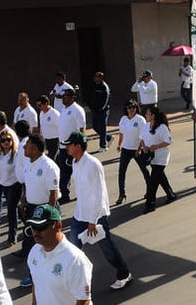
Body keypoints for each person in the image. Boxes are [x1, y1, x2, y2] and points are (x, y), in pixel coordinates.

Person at [62, 131, 133, 290]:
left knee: (108, 249)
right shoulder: (74, 162)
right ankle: (72, 279)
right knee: (73, 248)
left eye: (69, 144)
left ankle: (124, 273)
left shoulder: (93, 164)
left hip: (96, 216)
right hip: (80, 214)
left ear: (78, 146)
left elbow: (100, 194)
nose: (66, 147)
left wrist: (93, 221)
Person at [16, 134, 60, 274]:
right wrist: (23, 201)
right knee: (32, 243)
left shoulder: (49, 166)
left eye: (27, 145)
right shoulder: (29, 163)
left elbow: (53, 193)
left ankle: (52, 271)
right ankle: (34, 274)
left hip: (45, 209)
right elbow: (27, 185)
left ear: (34, 149)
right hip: (31, 208)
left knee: (48, 244)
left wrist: (48, 216)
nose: (24, 147)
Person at [140, 107, 176, 213]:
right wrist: (144, 147)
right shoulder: (146, 126)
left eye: (148, 113)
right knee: (161, 177)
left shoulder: (162, 127)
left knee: (153, 181)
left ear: (153, 116)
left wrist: (156, 146)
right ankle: (171, 194)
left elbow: (168, 141)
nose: (146, 115)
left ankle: (150, 203)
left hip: (161, 157)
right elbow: (141, 138)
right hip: (151, 157)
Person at [115, 99, 151, 204]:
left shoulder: (140, 120)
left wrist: (139, 149)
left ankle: (150, 191)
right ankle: (122, 194)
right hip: (126, 149)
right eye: (129, 107)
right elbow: (121, 133)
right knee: (121, 172)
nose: (131, 109)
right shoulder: (123, 119)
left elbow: (143, 136)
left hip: (137, 149)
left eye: (133, 107)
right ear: (126, 109)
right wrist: (119, 144)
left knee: (144, 170)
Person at [56, 87, 86, 204]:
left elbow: (81, 130)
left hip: (74, 147)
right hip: (63, 146)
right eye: (63, 96)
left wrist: (80, 148)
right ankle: (64, 194)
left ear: (73, 97)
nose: (63, 98)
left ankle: (83, 192)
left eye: (66, 96)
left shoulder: (77, 110)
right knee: (64, 171)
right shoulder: (63, 108)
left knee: (77, 172)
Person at [0, 129, 22, 247]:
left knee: (11, 210)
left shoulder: (16, 154)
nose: (6, 142)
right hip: (2, 184)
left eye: (8, 140)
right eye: (3, 140)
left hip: (14, 185)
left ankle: (12, 237)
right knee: (14, 209)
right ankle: (26, 222)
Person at [89, 72, 112, 152]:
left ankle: (103, 146)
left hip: (103, 111)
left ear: (101, 78)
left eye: (97, 77)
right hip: (95, 110)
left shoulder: (104, 87)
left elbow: (106, 99)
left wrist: (102, 108)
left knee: (102, 127)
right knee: (95, 126)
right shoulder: (95, 86)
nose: (95, 78)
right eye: (95, 76)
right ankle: (108, 137)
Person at [35, 94, 61, 160]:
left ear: (46, 103)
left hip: (54, 140)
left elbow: (61, 127)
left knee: (52, 159)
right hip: (45, 140)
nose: (38, 107)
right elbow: (41, 126)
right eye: (37, 105)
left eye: (40, 105)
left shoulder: (55, 114)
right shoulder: (41, 113)